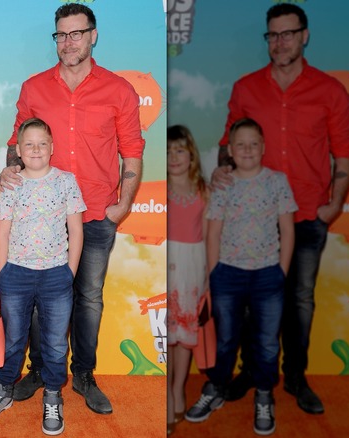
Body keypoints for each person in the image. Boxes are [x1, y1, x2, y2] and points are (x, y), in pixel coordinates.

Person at [0, 3, 144, 414]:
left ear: (93, 35)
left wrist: (122, 206)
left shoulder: (119, 91)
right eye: (61, 35)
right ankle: (41, 370)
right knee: (30, 296)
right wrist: (11, 171)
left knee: (88, 298)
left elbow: (131, 152)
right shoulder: (34, 88)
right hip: (40, 217)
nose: (69, 42)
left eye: (77, 33)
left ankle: (83, 374)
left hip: (97, 214)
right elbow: (17, 142)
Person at [212, 3, 349, 415]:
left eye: (288, 34)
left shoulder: (330, 91)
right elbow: (228, 142)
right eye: (273, 35)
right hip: (252, 219)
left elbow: (343, 154)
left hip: (309, 216)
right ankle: (250, 372)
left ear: (304, 35)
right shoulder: (246, 88)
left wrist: (333, 206)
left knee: (299, 301)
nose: (280, 42)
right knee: (245, 302)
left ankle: (294, 376)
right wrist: (223, 170)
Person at [0, 118, 85, 436]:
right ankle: (4, 387)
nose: (35, 149)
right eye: (29, 144)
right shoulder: (11, 184)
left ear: (52, 147)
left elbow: (76, 230)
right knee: (13, 340)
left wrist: (69, 272)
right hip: (16, 274)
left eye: (42, 143)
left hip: (56, 275)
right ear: (18, 150)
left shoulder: (66, 181)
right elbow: (2, 232)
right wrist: (2, 274)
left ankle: (53, 394)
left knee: (54, 344)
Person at [185, 118, 297, 436]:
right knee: (226, 340)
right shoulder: (223, 184)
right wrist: (214, 274)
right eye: (240, 144)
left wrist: (281, 272)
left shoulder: (277, 181)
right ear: (230, 151)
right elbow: (214, 232)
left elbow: (287, 230)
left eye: (253, 144)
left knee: (266, 343)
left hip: (268, 275)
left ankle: (264, 393)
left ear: (263, 148)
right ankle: (216, 387)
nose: (247, 149)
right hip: (228, 275)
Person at [166, 125, 207, 435]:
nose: (174, 156)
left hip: (193, 269)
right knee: (168, 335)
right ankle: (166, 394)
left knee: (185, 335)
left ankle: (180, 388)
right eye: (167, 151)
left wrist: (208, 278)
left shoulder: (204, 191)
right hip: (166, 268)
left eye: (179, 149)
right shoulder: (160, 190)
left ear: (191, 154)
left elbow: (209, 237)